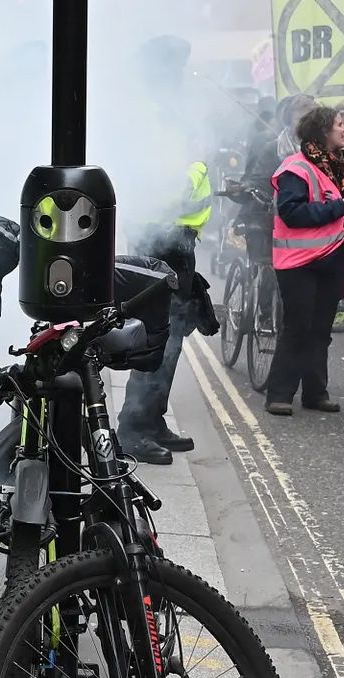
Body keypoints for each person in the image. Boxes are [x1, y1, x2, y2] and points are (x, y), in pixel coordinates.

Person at [116, 35, 212, 466]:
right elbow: (164, 177)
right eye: (177, 64)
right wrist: (195, 168)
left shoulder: (169, 108)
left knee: (171, 337)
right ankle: (133, 428)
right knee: (158, 335)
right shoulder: (150, 110)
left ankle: (151, 420)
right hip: (161, 238)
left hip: (178, 241)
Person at [265, 107, 344, 416]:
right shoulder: (295, 168)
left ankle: (315, 392)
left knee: (321, 329)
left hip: (333, 258)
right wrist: (338, 207)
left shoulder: (339, 166)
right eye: (338, 125)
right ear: (322, 132)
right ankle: (279, 394)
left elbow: (338, 211)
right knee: (298, 327)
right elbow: (292, 214)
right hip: (299, 263)